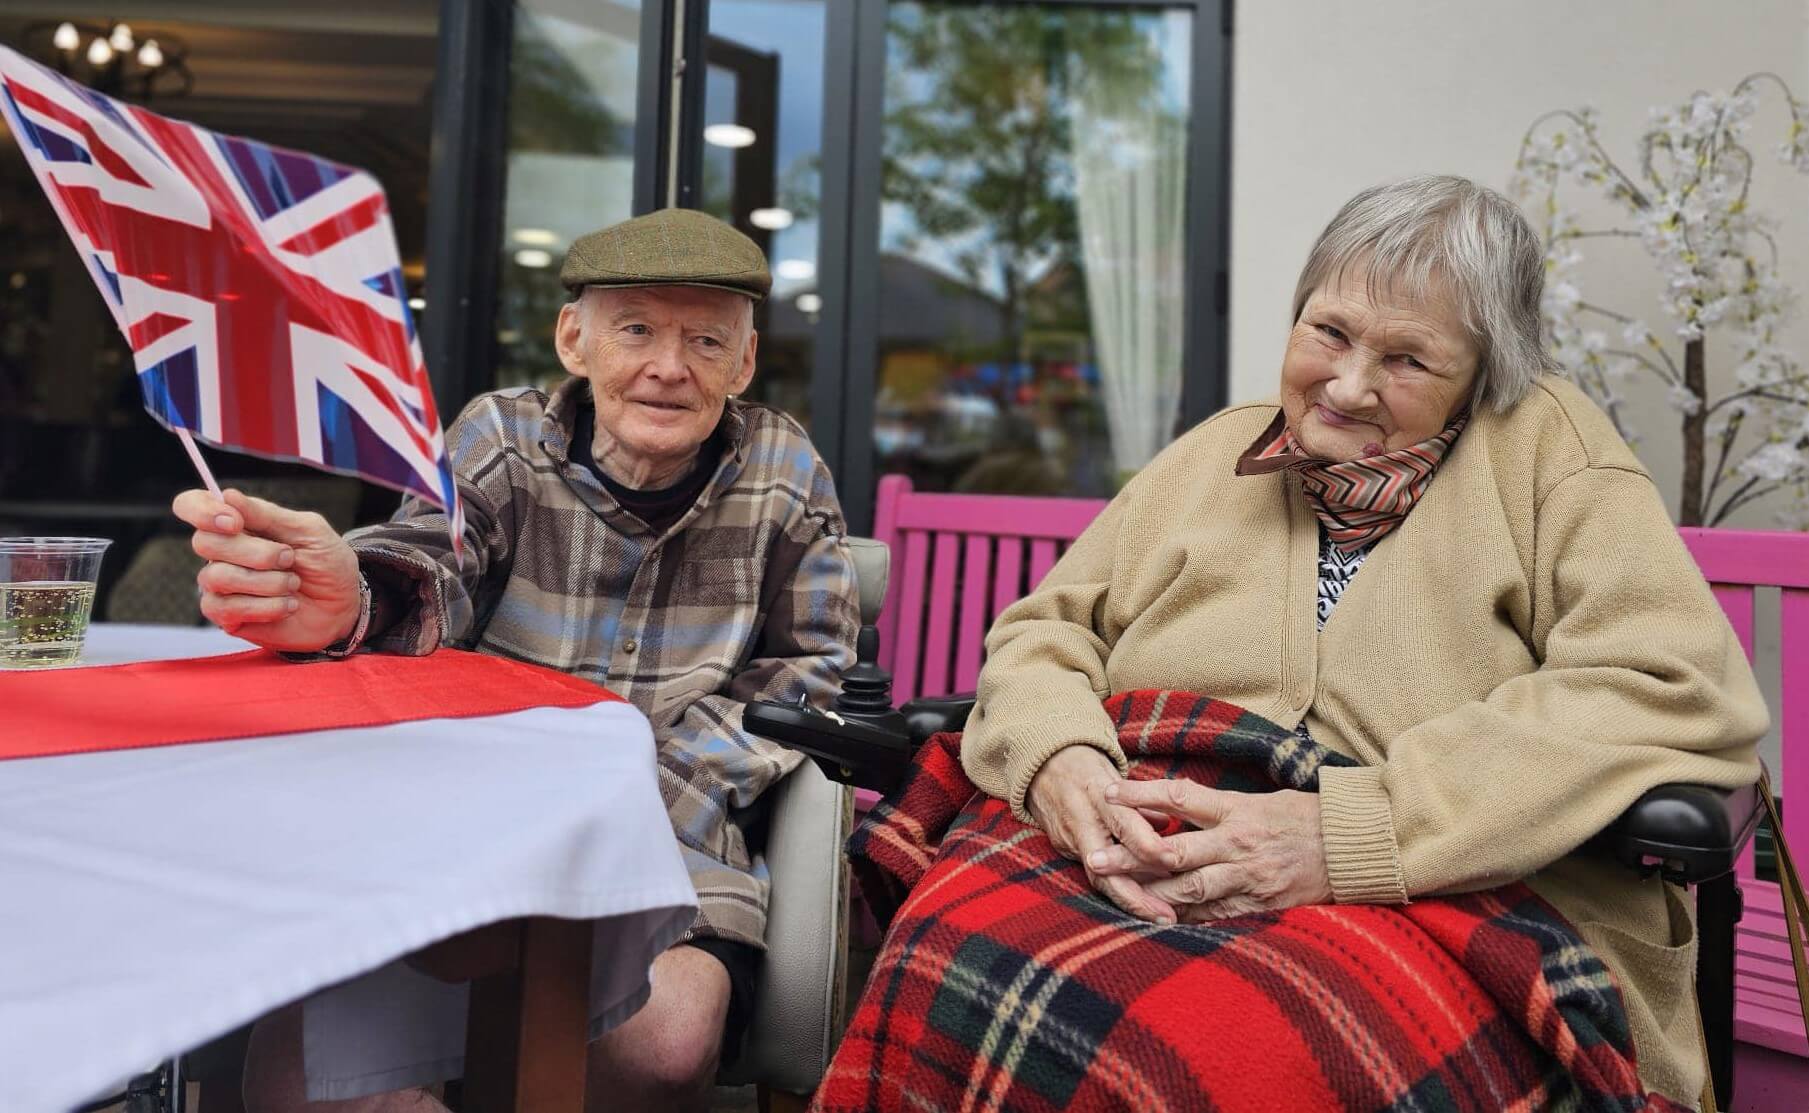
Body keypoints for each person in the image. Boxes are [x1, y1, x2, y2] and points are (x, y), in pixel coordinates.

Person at [952, 175, 1767, 1106]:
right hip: (1151, 834)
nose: (1346, 385)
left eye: (1408, 360)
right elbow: (1043, 632)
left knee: (1219, 1045)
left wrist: (1354, 834)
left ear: (1483, 374)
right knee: (947, 956)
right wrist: (1057, 753)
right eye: (1327, 332)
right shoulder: (1208, 456)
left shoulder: (1550, 454)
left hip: (1441, 890)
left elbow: (1667, 679)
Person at [171, 208, 859, 1112]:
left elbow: (810, 670)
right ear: (574, 339)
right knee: (305, 1079)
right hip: (465, 818)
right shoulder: (500, 436)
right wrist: (361, 592)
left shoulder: (784, 465)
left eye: (704, 340)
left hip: (674, 826)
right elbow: (429, 560)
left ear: (743, 362)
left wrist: (640, 788)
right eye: (638, 330)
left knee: (661, 1051)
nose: (668, 366)